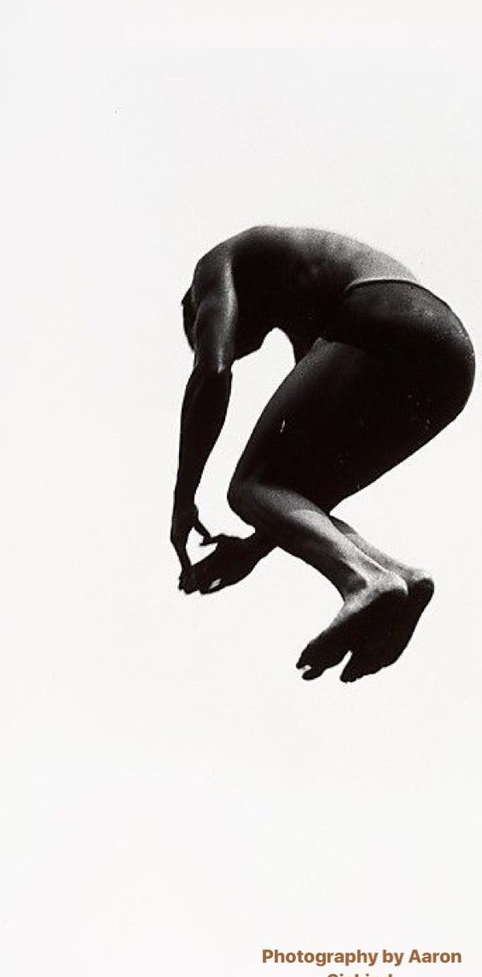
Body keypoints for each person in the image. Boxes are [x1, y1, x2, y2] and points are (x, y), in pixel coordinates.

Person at [170, 226, 475, 682]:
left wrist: (183, 501)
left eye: (200, 330)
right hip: (451, 358)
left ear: (197, 306)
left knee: (247, 486)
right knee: (289, 488)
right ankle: (400, 578)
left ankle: (364, 580)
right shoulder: (310, 317)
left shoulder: (215, 266)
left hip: (386, 312)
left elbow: (212, 373)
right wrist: (253, 550)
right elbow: (302, 492)